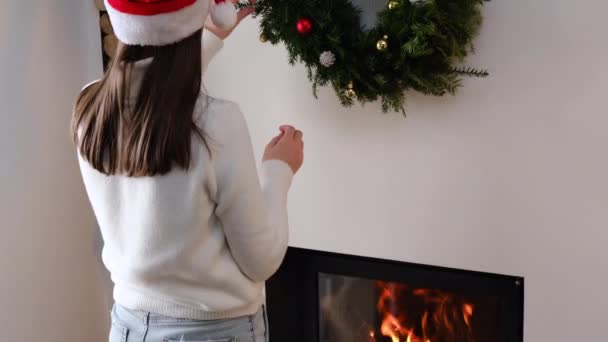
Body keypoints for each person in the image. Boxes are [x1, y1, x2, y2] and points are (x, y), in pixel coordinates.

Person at [71, 0, 304, 341]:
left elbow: (156, 99)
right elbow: (262, 259)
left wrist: (209, 36)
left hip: (128, 327)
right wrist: (279, 171)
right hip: (215, 330)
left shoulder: (90, 109)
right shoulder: (218, 124)